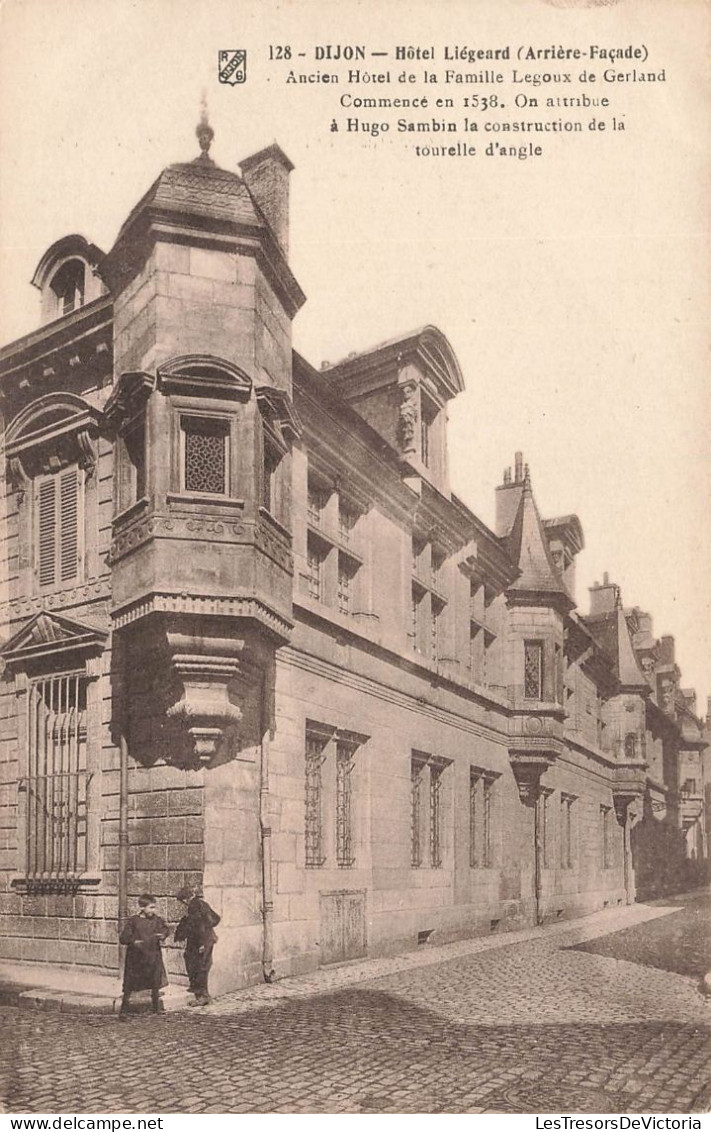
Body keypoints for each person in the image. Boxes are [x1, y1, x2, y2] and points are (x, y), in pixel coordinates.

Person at [118, 894, 170, 1020]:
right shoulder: (134, 921)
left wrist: (162, 935)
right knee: (130, 985)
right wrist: (133, 941)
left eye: (154, 908)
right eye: (151, 908)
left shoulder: (157, 920)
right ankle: (124, 1010)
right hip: (136, 958)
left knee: (155, 981)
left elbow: (165, 930)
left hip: (153, 955)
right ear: (142, 907)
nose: (153, 911)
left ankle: (156, 1007)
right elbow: (123, 938)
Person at [174, 886, 221, 1006]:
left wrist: (201, 944)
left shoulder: (193, 906)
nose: (183, 904)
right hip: (208, 939)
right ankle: (202, 993)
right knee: (202, 965)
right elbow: (216, 919)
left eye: (182, 901)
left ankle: (202, 996)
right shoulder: (202, 903)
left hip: (201, 941)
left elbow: (199, 925)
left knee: (199, 966)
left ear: (186, 899)